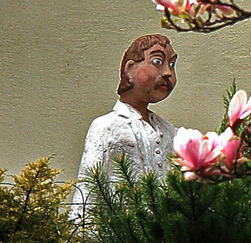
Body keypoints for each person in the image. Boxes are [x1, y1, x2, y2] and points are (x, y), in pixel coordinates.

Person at [71, 34, 179, 213]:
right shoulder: (105, 127)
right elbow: (87, 191)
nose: (168, 72)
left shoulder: (168, 132)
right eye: (158, 62)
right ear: (130, 70)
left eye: (172, 64)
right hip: (119, 232)